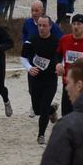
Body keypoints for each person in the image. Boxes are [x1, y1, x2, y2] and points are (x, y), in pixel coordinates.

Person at [23, 10, 62, 143]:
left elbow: (61, 57)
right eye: (39, 25)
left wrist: (59, 66)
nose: (41, 28)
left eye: (44, 25)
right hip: (35, 78)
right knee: (37, 109)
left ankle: (41, 135)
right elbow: (23, 57)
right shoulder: (31, 40)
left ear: (50, 26)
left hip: (50, 79)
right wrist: (29, 68)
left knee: (43, 108)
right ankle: (52, 110)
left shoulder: (56, 42)